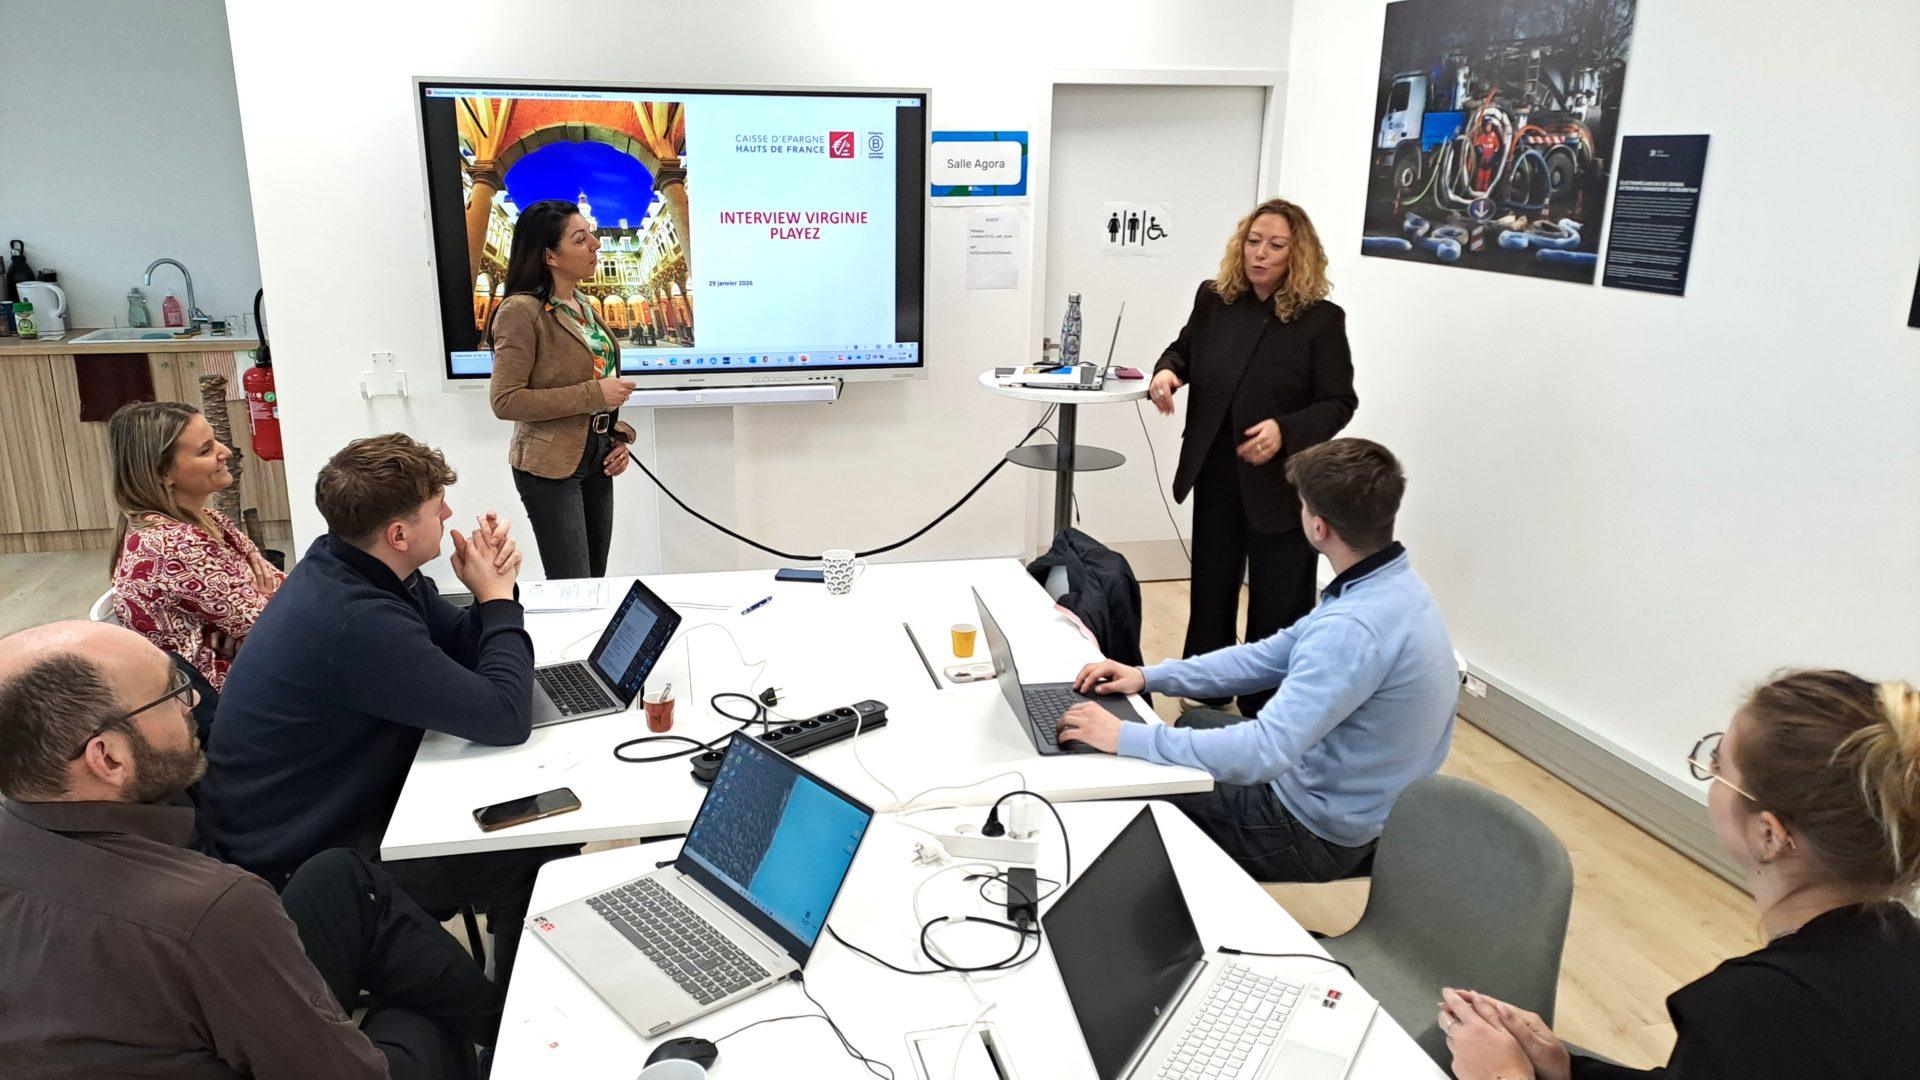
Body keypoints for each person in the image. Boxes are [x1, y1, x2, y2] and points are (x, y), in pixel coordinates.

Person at [0, 620, 503, 1079]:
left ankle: (502, 1022)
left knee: (340, 878)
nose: (191, 704)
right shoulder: (210, 910)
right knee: (427, 1017)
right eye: (171, 694)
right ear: (107, 757)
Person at [195, 433, 561, 980]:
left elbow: (459, 644)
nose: (449, 514)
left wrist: (486, 592)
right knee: (530, 846)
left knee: (527, 815)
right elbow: (505, 719)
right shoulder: (354, 620)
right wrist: (499, 599)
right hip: (305, 863)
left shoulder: (350, 563)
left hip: (323, 811)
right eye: (437, 507)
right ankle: (508, 1016)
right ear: (399, 533)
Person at [1440, 671, 1920, 1080]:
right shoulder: (1894, 951)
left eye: (1718, 766)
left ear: (1769, 835)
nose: (1709, 773)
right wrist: (1568, 1067)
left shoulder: (1756, 1012)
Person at [1058, 438, 1456, 882]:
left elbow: (1264, 752)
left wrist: (1124, 738)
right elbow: (1267, 657)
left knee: (1118, 790)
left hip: (1313, 831)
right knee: (1193, 727)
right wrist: (1148, 677)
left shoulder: (1353, 627)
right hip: (1360, 803)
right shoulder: (1392, 584)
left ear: (1318, 527)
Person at [1148, 197, 1355, 715]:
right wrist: (1167, 372)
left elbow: (1338, 401)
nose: (1260, 253)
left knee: (1279, 600)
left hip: (1283, 483)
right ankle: (1205, 690)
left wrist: (1286, 430)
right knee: (1212, 589)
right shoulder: (1215, 299)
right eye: (1253, 241)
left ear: (1298, 254)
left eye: (1276, 245)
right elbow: (1185, 349)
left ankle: (1269, 704)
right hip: (1218, 469)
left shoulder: (1321, 321)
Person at [488, 199, 638, 580]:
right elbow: (506, 401)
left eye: (591, 235)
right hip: (550, 466)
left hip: (597, 457)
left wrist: (615, 438)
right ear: (550, 256)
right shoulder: (520, 311)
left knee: (595, 581)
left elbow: (597, 384)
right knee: (574, 587)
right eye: (580, 239)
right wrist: (595, 395)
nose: (596, 245)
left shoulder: (585, 306)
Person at [107, 401, 283, 690]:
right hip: (222, 695)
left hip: (250, 666)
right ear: (164, 474)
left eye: (215, 440)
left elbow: (276, 589)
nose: (225, 451)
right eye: (205, 450)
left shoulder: (206, 518)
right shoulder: (174, 544)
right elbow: (276, 628)